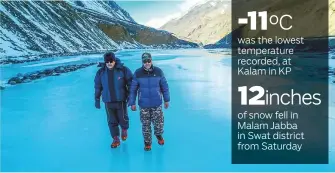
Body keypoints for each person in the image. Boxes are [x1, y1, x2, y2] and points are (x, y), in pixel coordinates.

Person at [128, 52, 170, 151]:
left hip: (157, 103)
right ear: (142, 62)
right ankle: (147, 142)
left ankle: (158, 135)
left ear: (151, 60)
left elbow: (165, 87)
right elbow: (133, 89)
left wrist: (166, 100)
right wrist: (132, 102)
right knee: (145, 124)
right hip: (144, 105)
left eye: (148, 60)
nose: (147, 63)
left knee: (159, 123)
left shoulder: (159, 71)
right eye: (144, 61)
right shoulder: (138, 73)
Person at [94, 51, 133, 148]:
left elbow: (131, 83)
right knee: (111, 121)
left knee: (123, 118)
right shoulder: (101, 72)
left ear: (114, 60)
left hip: (121, 100)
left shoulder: (123, 70)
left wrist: (130, 96)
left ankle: (124, 130)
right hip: (108, 101)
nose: (109, 63)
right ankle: (115, 138)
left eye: (111, 61)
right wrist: (97, 99)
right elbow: (98, 87)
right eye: (107, 61)